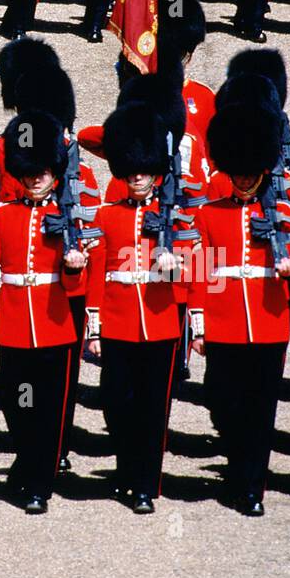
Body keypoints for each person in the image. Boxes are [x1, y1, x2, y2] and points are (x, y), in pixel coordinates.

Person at [192, 100, 290, 516]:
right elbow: (201, 270)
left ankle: (250, 486)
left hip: (267, 322)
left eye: (250, 173)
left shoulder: (282, 212)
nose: (243, 180)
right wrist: (199, 322)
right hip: (223, 325)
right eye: (237, 172)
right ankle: (236, 460)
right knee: (224, 401)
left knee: (261, 410)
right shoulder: (209, 214)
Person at [0, 109, 84, 512]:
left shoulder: (67, 216)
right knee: (16, 399)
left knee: (48, 408)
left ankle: (40, 480)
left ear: (54, 171)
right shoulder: (3, 216)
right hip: (16, 327)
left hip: (55, 326)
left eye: (43, 170)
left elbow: (82, 284)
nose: (37, 177)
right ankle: (27, 458)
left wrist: (75, 269)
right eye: (30, 171)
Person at [86, 102, 187, 514]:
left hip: (161, 323)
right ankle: (127, 469)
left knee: (152, 408)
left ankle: (144, 483)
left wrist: (176, 266)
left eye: (144, 169)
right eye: (131, 170)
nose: (138, 177)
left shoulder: (176, 214)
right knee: (115, 401)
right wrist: (94, 322)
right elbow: (98, 271)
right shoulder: (107, 214)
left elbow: (202, 271)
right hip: (118, 321)